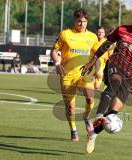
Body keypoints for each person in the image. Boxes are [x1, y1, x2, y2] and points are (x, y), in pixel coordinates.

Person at [81, 6, 132, 154]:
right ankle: (97, 117)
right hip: (114, 65)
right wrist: (91, 62)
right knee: (114, 84)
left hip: (131, 75)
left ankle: (93, 134)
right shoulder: (122, 30)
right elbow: (105, 45)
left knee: (112, 112)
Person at [50, 8, 98, 142]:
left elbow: (96, 54)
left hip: (85, 74)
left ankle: (86, 117)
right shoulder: (65, 34)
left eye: (84, 21)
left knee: (90, 98)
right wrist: (58, 64)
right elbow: (54, 51)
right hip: (67, 75)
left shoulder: (92, 37)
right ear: (74, 20)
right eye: (79, 21)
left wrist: (95, 67)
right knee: (70, 107)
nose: (81, 24)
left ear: (87, 22)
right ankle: (73, 130)